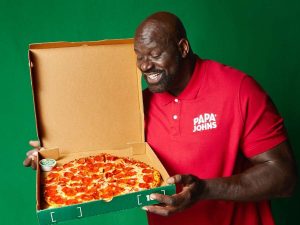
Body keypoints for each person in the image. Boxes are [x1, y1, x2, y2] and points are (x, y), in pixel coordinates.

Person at [24, 12, 297, 225]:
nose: (144, 66)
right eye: (139, 56)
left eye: (155, 54)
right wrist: (55, 154)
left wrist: (204, 190)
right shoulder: (140, 105)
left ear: (183, 47)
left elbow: (284, 177)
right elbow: (102, 157)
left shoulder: (238, 89)